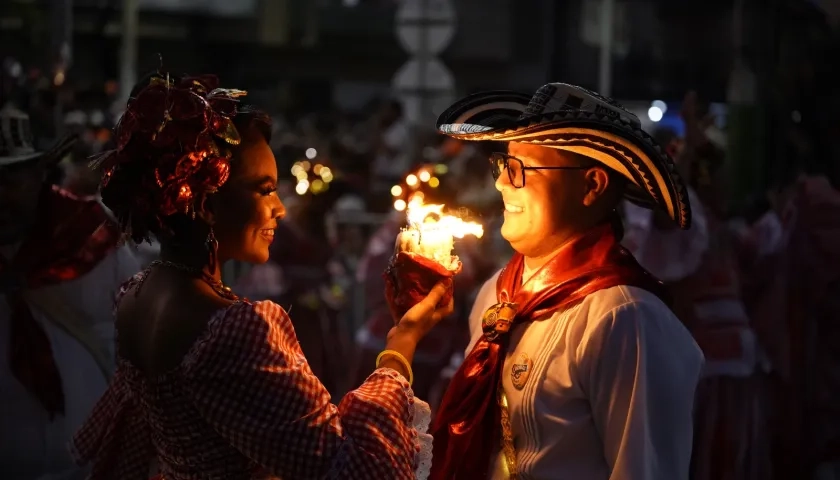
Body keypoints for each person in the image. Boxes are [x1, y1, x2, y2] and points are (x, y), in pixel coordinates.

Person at [70, 73, 448, 479]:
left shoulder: (135, 296)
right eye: (264, 189)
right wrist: (402, 342)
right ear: (205, 204)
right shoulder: (234, 329)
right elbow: (350, 469)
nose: (280, 209)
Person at [428, 83, 705, 479]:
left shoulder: (625, 319)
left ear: (592, 185)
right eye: (503, 163)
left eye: (521, 167)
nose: (502, 182)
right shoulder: (497, 294)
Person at [0, 104, 141, 479]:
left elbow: (140, 351)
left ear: (39, 176)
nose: (0, 196)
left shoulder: (90, 239)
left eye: (9, 179)